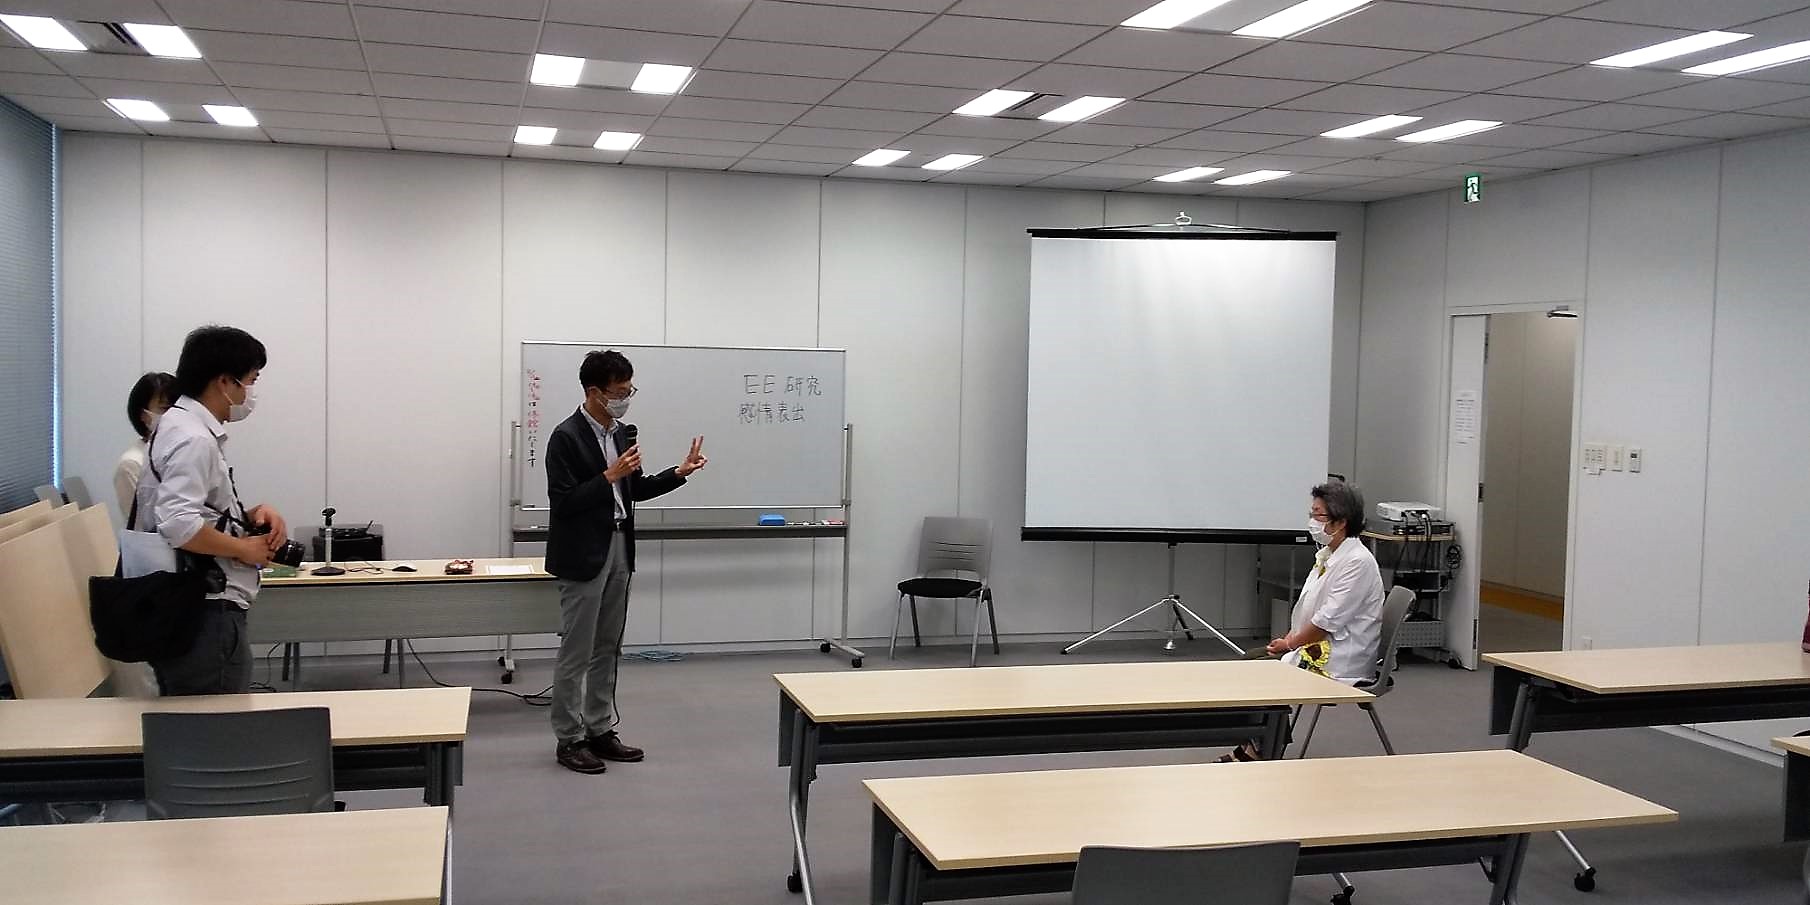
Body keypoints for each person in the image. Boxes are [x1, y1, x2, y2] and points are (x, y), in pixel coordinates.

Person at [544, 350, 709, 774]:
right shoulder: (565, 436)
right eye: (619, 392)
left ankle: (600, 728)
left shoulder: (621, 434)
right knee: (577, 650)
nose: (625, 399)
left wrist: (680, 472)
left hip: (619, 545)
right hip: (583, 553)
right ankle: (569, 739)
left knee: (608, 645)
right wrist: (608, 476)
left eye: (629, 391)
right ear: (594, 392)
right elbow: (563, 503)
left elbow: (635, 490)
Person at [135, 326, 288, 696]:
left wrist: (248, 516)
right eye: (250, 380)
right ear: (224, 382)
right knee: (215, 723)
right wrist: (244, 549)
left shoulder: (178, 425)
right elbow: (178, 524)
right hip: (205, 611)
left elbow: (192, 510)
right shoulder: (193, 439)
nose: (250, 393)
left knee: (196, 719)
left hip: (187, 607)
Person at [1222, 481, 1384, 762]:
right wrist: (1289, 638)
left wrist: (1289, 644)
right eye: (1312, 513)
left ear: (1341, 522)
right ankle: (1257, 744)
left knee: (1261, 671)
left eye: (1318, 515)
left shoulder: (1357, 562)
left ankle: (1259, 750)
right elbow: (1309, 609)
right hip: (1317, 642)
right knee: (1250, 661)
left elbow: (1325, 622)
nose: (1312, 521)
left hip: (1341, 657)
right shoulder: (1330, 554)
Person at [114, 371, 177, 519]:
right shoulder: (131, 464)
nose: (175, 415)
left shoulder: (182, 452)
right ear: (143, 415)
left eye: (177, 408)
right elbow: (141, 524)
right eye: (165, 409)